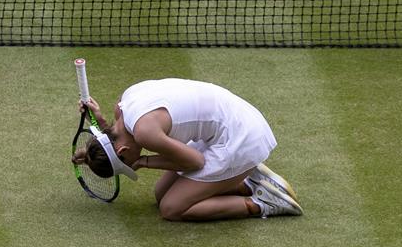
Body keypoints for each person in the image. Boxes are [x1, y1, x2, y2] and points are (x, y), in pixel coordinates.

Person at [73, 78, 302, 222]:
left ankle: (264, 203)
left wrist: (143, 161)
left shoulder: (145, 133)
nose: (130, 166)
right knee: (160, 194)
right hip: (231, 120)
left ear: (122, 151)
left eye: (125, 164)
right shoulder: (122, 107)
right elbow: (115, 136)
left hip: (242, 137)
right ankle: (244, 181)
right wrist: (101, 121)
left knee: (171, 208)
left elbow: (195, 162)